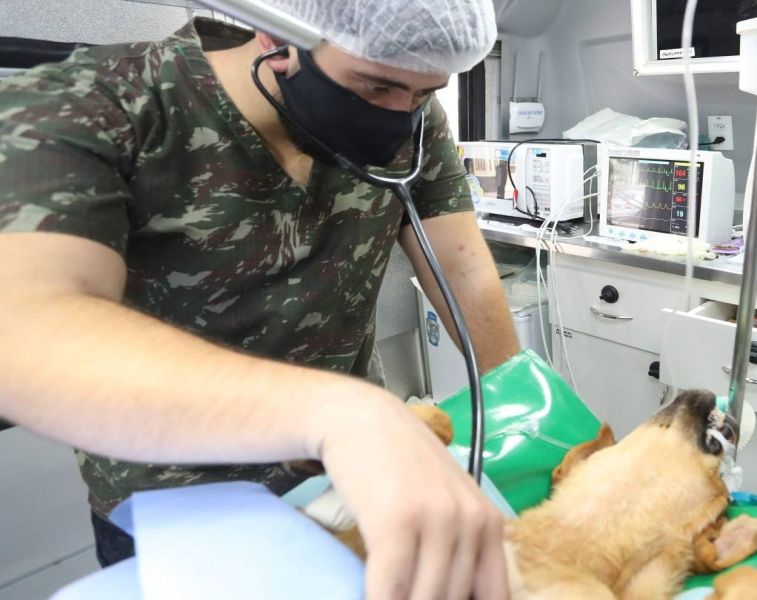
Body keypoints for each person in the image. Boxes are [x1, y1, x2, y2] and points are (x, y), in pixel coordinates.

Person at [0, 1, 516, 598]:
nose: (400, 114)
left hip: (349, 482)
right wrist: (341, 414)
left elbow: (462, 268)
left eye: (425, 92)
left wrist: (525, 405)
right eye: (375, 85)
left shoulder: (414, 119)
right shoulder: (97, 102)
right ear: (277, 36)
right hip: (179, 503)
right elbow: (26, 327)